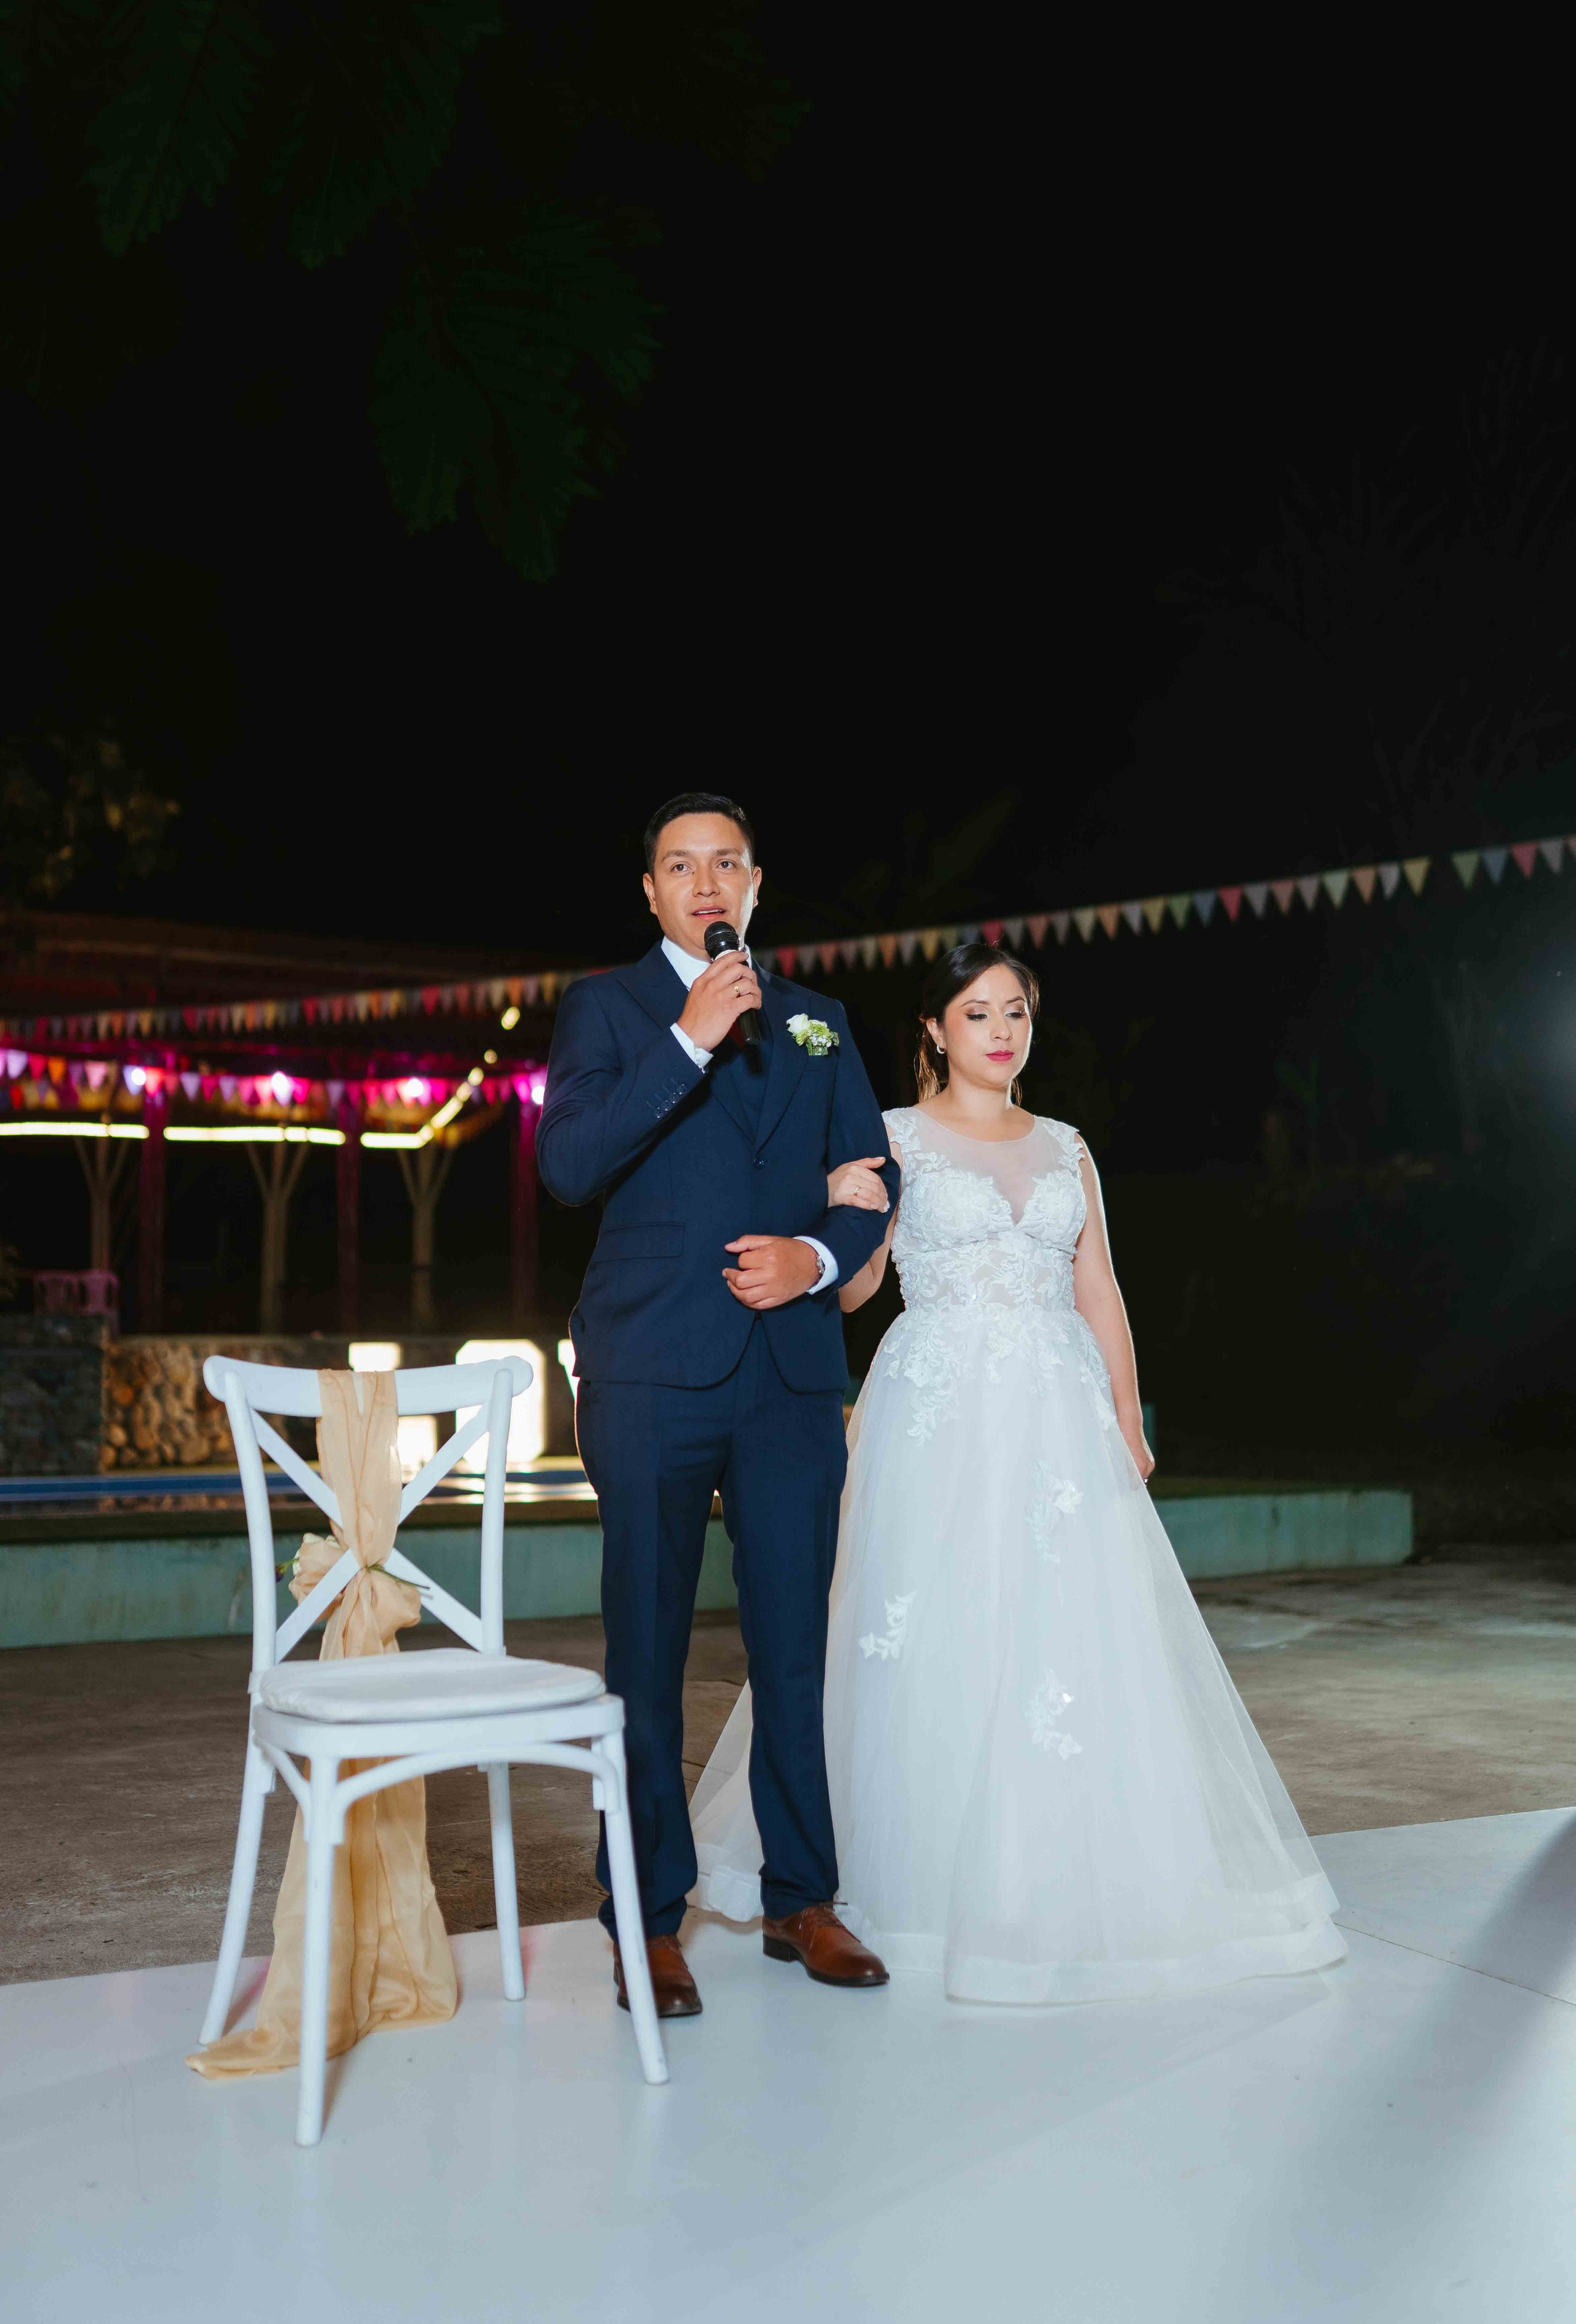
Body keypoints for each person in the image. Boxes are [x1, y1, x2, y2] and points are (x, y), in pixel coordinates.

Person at [691, 943, 1345, 2001]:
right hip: (934, 1406)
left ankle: (1063, 1867)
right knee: (923, 1624)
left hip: (1057, 1409)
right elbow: (857, 1295)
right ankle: (870, 1878)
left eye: (1016, 1014)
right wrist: (835, 1207)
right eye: (977, 1012)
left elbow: (1102, 1291)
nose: (1001, 1030)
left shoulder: (1067, 1147)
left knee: (1068, 1629)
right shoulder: (894, 1137)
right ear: (936, 1032)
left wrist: (1128, 1419)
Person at [536, 792, 900, 2017]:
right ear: (649, 892)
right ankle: (646, 1919)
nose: (705, 882)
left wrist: (816, 1251)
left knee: (793, 1648)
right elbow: (569, 1166)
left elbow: (866, 1178)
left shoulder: (818, 1022)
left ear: (755, 884)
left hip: (789, 1372)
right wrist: (685, 1043)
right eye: (679, 865)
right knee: (645, 1651)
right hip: (649, 1369)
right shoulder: (606, 1007)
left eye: (725, 863)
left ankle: (803, 1900)